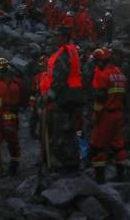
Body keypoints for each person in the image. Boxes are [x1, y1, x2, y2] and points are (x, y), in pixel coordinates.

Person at [45, 26, 84, 172]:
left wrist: (51, 93)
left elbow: (59, 77)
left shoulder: (63, 55)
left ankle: (64, 162)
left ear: (64, 37)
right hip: (74, 95)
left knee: (61, 130)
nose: (55, 39)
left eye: (57, 36)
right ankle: (73, 160)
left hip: (64, 97)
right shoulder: (72, 52)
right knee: (70, 130)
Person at [90, 48, 127, 183]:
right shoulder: (120, 74)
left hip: (106, 115)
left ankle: (100, 179)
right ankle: (121, 175)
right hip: (118, 113)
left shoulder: (104, 75)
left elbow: (100, 98)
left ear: (101, 61)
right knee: (118, 145)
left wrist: (96, 115)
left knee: (98, 146)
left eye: (96, 62)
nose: (96, 65)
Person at [0, 58, 21, 176]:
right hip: (1, 117)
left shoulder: (12, 86)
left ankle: (14, 165)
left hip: (9, 117)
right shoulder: (2, 84)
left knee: (12, 142)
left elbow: (13, 104)